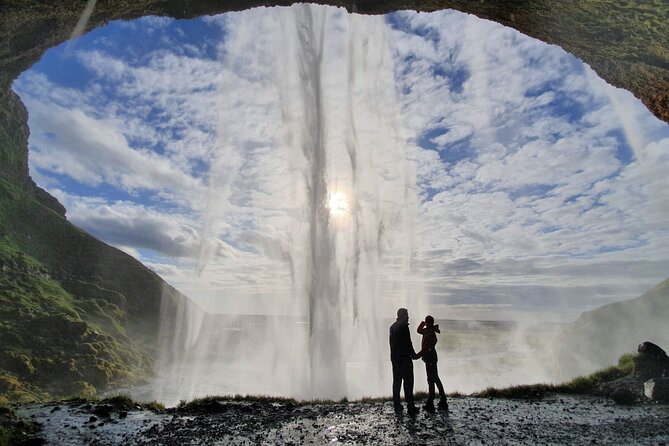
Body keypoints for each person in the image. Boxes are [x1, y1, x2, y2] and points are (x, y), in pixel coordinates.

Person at [389, 307, 420, 415]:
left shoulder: (392, 327)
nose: (408, 316)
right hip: (405, 359)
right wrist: (414, 355)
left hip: (395, 359)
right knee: (408, 383)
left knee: (396, 382)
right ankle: (410, 406)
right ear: (402, 315)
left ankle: (397, 405)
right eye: (406, 314)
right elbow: (408, 343)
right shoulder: (403, 327)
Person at [416, 315, 448, 412]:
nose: (426, 324)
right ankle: (439, 399)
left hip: (430, 357)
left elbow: (427, 347)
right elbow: (418, 330)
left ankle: (432, 400)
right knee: (434, 378)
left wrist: (418, 355)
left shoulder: (429, 332)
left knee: (432, 379)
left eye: (427, 322)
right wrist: (424, 324)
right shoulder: (429, 331)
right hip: (430, 357)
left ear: (429, 323)